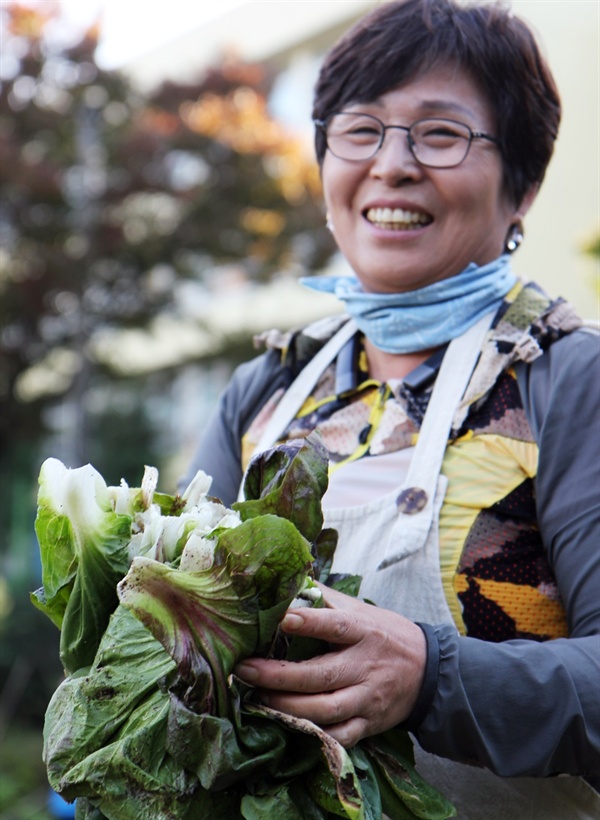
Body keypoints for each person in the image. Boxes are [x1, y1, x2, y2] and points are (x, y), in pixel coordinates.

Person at [182, 0, 600, 816]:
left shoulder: (569, 377)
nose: (393, 164)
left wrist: (430, 677)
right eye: (361, 130)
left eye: (440, 133)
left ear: (523, 181)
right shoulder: (267, 388)